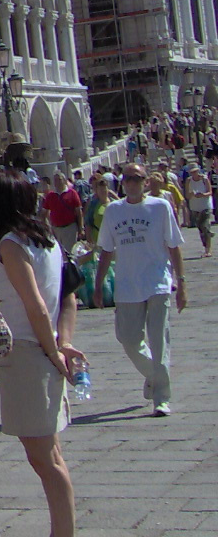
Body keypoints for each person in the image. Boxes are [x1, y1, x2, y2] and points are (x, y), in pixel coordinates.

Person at [0, 171, 80, 537]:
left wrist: (53, 352)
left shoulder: (11, 244)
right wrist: (61, 344)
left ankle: (63, 532)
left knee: (44, 458)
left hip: (27, 350)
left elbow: (34, 305)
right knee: (50, 454)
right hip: (41, 346)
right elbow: (67, 298)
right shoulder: (47, 240)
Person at [94, 162, 186, 417]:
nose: (132, 183)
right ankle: (154, 376)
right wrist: (100, 284)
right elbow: (106, 250)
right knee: (129, 339)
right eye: (128, 179)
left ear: (146, 181)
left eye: (138, 178)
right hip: (127, 284)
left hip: (157, 281)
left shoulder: (160, 207)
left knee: (159, 340)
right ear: (122, 184)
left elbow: (174, 245)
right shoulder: (114, 211)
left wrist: (182, 283)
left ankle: (161, 397)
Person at [41, 175, 82, 252]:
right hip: (56, 229)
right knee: (58, 252)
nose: (57, 182)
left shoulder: (72, 193)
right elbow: (43, 214)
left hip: (69, 228)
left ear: (64, 180)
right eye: (55, 180)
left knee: (70, 252)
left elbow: (79, 212)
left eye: (59, 179)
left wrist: (80, 228)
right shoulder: (50, 196)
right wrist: (47, 228)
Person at [185, 163, 212, 256]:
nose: (194, 174)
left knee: (205, 227)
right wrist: (191, 194)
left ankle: (208, 250)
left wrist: (203, 194)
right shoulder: (189, 181)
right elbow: (187, 196)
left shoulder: (204, 179)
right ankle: (205, 245)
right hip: (195, 207)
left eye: (195, 172)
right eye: (192, 172)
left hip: (205, 205)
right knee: (200, 227)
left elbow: (210, 191)